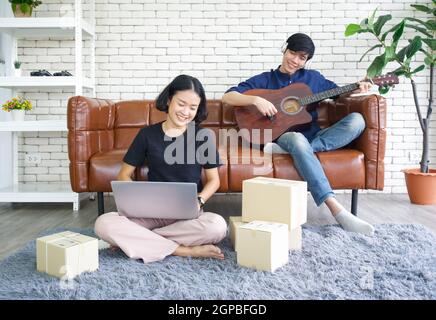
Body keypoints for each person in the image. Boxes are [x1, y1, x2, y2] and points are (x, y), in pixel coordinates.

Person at [222, 33, 375, 236]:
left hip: (313, 136)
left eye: (301, 57)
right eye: (292, 53)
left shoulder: (313, 79)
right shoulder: (265, 80)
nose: (295, 60)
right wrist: (256, 101)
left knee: (358, 120)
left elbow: (340, 94)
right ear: (284, 50)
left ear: (306, 61)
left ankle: (297, 151)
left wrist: (358, 86)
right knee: (296, 139)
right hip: (285, 136)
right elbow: (228, 96)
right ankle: (336, 209)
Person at [95, 75, 227, 263]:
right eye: (181, 104)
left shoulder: (202, 137)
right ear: (169, 100)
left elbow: (214, 180)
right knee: (104, 224)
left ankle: (139, 239)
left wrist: (199, 200)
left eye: (192, 107)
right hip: (150, 213)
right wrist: (137, 199)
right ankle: (182, 250)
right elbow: (124, 174)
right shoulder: (147, 134)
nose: (186, 112)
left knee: (217, 226)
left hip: (188, 215)